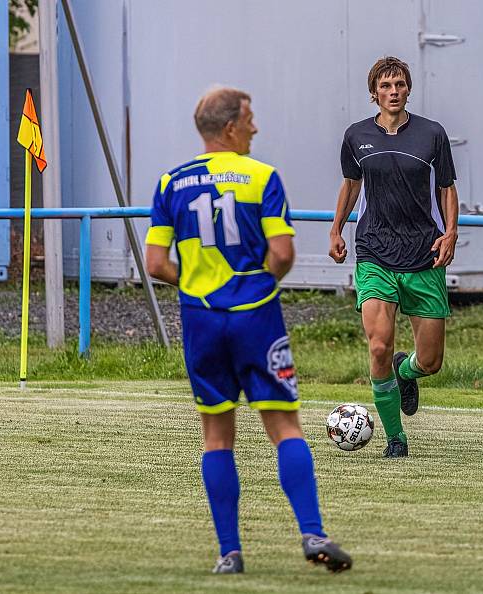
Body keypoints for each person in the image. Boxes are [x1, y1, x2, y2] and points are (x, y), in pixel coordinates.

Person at [145, 86, 351, 574]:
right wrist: (255, 285)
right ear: (231, 127)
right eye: (251, 119)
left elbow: (155, 262)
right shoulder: (263, 178)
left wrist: (197, 284)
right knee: (284, 426)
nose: (256, 128)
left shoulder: (170, 183)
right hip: (255, 315)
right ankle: (312, 533)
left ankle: (229, 554)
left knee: (216, 435)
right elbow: (282, 254)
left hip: (201, 319)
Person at [328, 57, 459, 458]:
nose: (394, 91)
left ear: (408, 89)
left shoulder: (432, 134)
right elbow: (351, 185)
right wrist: (336, 229)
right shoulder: (356, 137)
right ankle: (395, 439)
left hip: (423, 254)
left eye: (399, 84)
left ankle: (407, 373)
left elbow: (447, 188)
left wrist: (450, 232)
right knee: (379, 346)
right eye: (385, 85)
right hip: (375, 253)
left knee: (432, 361)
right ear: (374, 93)